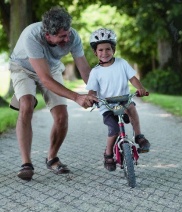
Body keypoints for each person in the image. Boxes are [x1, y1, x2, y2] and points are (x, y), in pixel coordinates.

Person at [9, 6, 98, 181]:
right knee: (26, 105)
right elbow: (46, 80)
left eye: (68, 33)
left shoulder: (73, 36)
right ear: (47, 35)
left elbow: (85, 69)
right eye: (62, 36)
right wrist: (76, 97)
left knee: (62, 116)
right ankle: (26, 163)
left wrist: (94, 92)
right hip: (22, 69)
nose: (68, 38)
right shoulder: (32, 36)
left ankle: (52, 158)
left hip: (51, 68)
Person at [86, 28, 150, 172]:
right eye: (100, 50)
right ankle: (108, 153)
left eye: (108, 49)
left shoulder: (122, 63)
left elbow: (133, 78)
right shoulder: (95, 72)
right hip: (107, 105)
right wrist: (91, 97)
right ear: (95, 52)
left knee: (132, 108)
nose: (104, 53)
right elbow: (92, 90)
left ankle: (139, 136)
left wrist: (140, 88)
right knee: (114, 129)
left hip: (123, 101)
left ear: (113, 49)